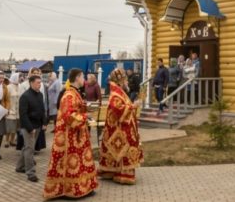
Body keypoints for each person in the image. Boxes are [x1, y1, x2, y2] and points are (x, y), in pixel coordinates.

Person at [43, 68, 98, 199]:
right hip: (69, 137)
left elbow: (76, 109)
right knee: (71, 162)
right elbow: (69, 116)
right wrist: (85, 117)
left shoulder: (74, 93)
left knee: (79, 161)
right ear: (77, 78)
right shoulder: (69, 95)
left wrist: (85, 109)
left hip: (76, 135)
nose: (84, 79)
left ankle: (83, 186)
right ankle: (69, 190)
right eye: (82, 76)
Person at [98, 69, 144, 184]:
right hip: (118, 128)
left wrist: (132, 106)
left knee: (117, 147)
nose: (127, 81)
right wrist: (133, 106)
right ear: (120, 81)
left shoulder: (119, 91)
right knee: (126, 145)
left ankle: (111, 171)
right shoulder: (115, 93)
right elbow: (118, 108)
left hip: (118, 127)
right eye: (125, 79)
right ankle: (123, 174)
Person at [17, 75, 48, 182]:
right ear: (31, 83)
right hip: (28, 127)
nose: (40, 84)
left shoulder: (40, 95)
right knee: (30, 149)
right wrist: (30, 128)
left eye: (40, 82)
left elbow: (42, 110)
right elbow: (23, 115)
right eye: (38, 82)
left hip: (38, 125)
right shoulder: (25, 96)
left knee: (27, 147)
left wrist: (44, 122)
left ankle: (19, 167)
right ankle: (30, 173)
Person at [5, 72, 21, 148]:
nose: (20, 78)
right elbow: (5, 99)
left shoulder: (20, 86)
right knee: (9, 127)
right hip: (10, 110)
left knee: (15, 127)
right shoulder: (8, 87)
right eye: (18, 77)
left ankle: (12, 140)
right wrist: (6, 109)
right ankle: (7, 141)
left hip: (18, 111)